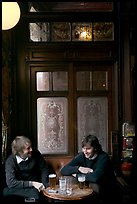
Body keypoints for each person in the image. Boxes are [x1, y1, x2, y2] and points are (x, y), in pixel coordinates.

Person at [60, 134, 121, 203]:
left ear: (95, 148)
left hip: (108, 192)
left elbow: (95, 178)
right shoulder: (81, 156)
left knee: (94, 186)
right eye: (83, 148)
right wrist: (79, 168)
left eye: (88, 149)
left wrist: (76, 175)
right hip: (91, 189)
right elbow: (64, 170)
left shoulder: (103, 157)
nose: (85, 152)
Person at [3, 136, 50, 202]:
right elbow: (11, 183)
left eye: (31, 146)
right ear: (19, 151)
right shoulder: (10, 161)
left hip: (36, 186)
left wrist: (44, 184)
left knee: (35, 193)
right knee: (5, 192)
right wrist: (32, 183)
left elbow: (44, 168)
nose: (31, 149)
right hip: (20, 187)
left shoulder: (35, 153)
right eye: (28, 148)